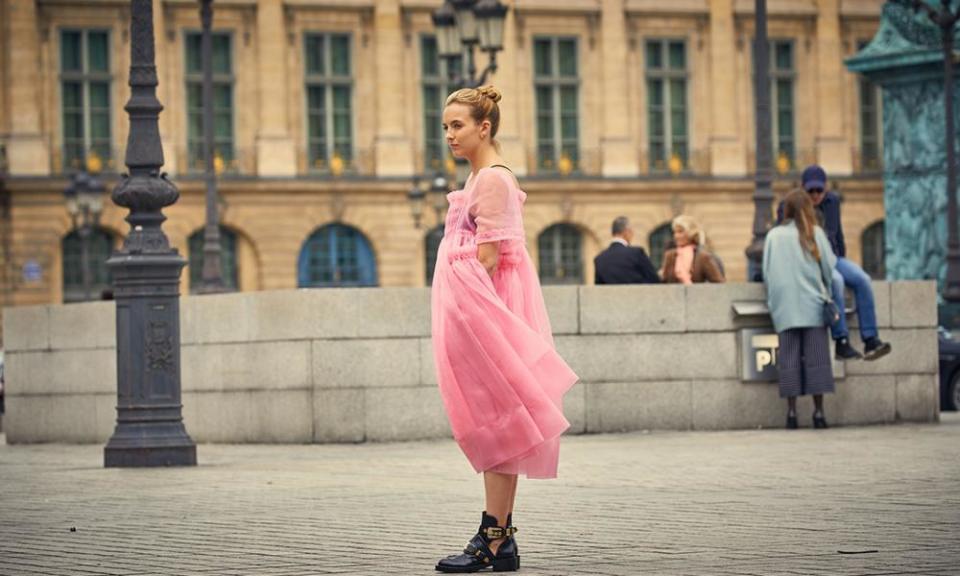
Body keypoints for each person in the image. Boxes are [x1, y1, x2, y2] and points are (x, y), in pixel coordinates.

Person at [430, 85, 578, 573]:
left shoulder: (491, 179)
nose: (449, 134)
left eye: (458, 125)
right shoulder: (478, 179)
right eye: (447, 125)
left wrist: (470, 317)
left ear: (484, 127)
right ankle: (501, 537)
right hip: (485, 308)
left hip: (487, 310)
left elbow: (489, 259)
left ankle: (492, 539)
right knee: (502, 423)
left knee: (496, 423)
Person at [779, 165, 891, 361]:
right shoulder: (791, 204)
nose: (815, 195)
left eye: (819, 190)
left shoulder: (833, 202)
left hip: (833, 257)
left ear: (826, 188)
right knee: (837, 282)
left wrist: (841, 257)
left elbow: (837, 234)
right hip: (809, 260)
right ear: (802, 189)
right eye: (810, 191)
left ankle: (871, 339)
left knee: (862, 279)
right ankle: (842, 341)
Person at [763, 189, 837, 429]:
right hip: (812, 305)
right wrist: (827, 293)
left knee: (789, 360)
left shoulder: (773, 236)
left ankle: (792, 414)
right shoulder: (815, 233)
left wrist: (774, 303)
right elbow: (828, 268)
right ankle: (819, 413)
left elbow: (766, 272)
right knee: (817, 360)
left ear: (786, 209)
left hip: (785, 307)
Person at [593, 216, 660, 284]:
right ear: (626, 232)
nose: (632, 234)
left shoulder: (599, 259)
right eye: (631, 231)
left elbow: (599, 288)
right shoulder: (637, 253)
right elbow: (654, 280)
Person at [660, 214, 725, 284]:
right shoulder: (670, 256)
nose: (676, 236)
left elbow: (719, 284)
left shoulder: (702, 257)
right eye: (675, 232)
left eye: (680, 232)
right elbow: (664, 283)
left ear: (691, 233)